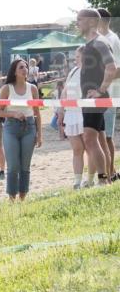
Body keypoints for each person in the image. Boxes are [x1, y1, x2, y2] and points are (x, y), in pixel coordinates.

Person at [77, 8, 117, 185]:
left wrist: (100, 90)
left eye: (80, 19)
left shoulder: (99, 42)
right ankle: (106, 179)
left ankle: (102, 180)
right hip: (90, 99)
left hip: (96, 99)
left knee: (89, 138)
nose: (77, 23)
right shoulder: (90, 44)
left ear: (92, 21)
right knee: (99, 139)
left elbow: (112, 68)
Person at [0, 58, 42, 201]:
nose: (25, 70)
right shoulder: (7, 88)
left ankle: (23, 197)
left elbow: (37, 112)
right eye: (21, 67)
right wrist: (14, 114)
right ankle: (12, 197)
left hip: (29, 127)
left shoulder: (33, 88)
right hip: (11, 127)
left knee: (25, 165)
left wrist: (39, 134)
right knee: (13, 165)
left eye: (26, 67)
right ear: (15, 72)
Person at [97, 7, 120, 181]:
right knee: (101, 135)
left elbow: (117, 69)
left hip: (109, 93)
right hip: (101, 94)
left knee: (107, 136)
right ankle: (110, 171)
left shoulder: (112, 40)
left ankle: (111, 173)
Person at [62, 48, 89, 189]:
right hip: (71, 113)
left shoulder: (91, 72)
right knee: (77, 149)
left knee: (90, 148)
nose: (75, 59)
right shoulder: (73, 71)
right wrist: (60, 111)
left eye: (78, 56)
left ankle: (92, 179)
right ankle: (77, 181)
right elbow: (64, 91)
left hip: (85, 113)